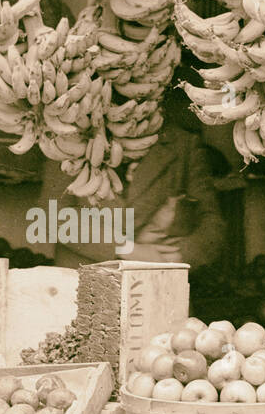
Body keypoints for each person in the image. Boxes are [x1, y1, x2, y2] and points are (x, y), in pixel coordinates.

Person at [41, 72, 227, 268]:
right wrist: (128, 249)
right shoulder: (69, 138)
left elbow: (212, 222)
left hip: (158, 276)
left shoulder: (184, 145)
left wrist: (180, 255)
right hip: (82, 275)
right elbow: (52, 215)